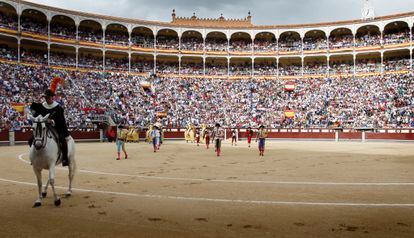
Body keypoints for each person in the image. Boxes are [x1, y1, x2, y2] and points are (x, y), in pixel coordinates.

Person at [29, 89, 71, 166]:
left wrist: (52, 121)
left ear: (52, 97)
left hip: (55, 127)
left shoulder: (58, 108)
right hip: (44, 127)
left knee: (62, 140)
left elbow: (61, 120)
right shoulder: (42, 105)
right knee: (31, 140)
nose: (46, 99)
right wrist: (38, 98)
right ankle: (34, 157)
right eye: (45, 97)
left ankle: (65, 159)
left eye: (48, 97)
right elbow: (32, 107)